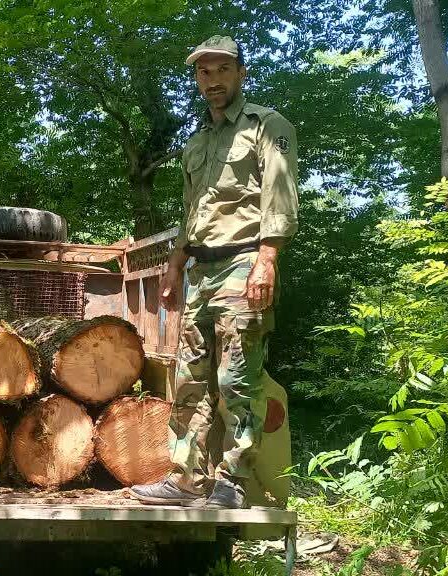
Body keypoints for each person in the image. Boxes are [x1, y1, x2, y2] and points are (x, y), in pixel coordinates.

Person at [131, 35, 299, 509]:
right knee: (189, 378)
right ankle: (185, 480)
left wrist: (267, 258)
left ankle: (233, 481)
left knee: (236, 379)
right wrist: (173, 266)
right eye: (204, 72)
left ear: (241, 72)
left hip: (245, 261)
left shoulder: (267, 126)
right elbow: (193, 211)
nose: (213, 80)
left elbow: (280, 196)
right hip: (200, 272)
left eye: (222, 70)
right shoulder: (197, 142)